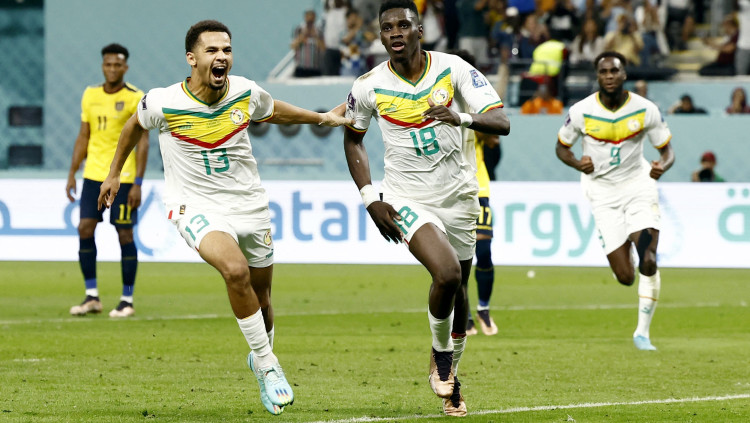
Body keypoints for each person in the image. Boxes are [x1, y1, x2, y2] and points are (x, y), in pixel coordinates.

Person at [97, 20, 351, 416]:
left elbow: (274, 110)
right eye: (212, 50)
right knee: (235, 271)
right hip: (194, 206)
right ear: (192, 58)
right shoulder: (163, 101)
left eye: (227, 50)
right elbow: (133, 125)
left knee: (263, 300)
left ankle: (260, 357)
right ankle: (268, 364)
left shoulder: (244, 91)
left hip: (249, 206)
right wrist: (114, 173)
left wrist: (321, 118)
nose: (222, 57)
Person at [343, 1, 510, 416]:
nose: (395, 32)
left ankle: (451, 379)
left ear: (420, 30)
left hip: (460, 196)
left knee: (460, 290)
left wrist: (460, 118)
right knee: (447, 273)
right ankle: (441, 356)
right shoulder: (368, 85)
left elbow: (501, 121)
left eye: (404, 25)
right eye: (387, 27)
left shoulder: (453, 69)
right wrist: (370, 198)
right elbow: (353, 138)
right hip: (407, 198)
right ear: (381, 36)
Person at [555, 51, 675, 351]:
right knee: (625, 276)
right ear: (598, 76)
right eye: (604, 71)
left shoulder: (645, 109)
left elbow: (667, 150)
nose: (609, 76)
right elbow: (561, 147)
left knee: (649, 259)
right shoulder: (581, 111)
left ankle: (642, 334)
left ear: (624, 75)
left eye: (615, 71)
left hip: (638, 186)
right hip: (602, 193)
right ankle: (622, 248)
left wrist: (663, 165)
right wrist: (577, 163)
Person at [66, 43, 149, 318]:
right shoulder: (90, 95)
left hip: (123, 179)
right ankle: (92, 296)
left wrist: (138, 183)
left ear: (125, 68)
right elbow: (84, 135)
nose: (112, 69)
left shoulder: (136, 97)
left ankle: (127, 299)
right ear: (103, 66)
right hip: (93, 176)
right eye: (108, 64)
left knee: (125, 233)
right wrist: (72, 172)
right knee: (84, 228)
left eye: (117, 65)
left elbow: (143, 142)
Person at [291, 10, 325, 77]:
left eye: (311, 20)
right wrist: (302, 36)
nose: (310, 22)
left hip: (315, 68)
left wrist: (316, 37)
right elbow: (293, 46)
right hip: (301, 68)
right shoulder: (299, 29)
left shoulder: (319, 31)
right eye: (308, 19)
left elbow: (323, 48)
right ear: (305, 18)